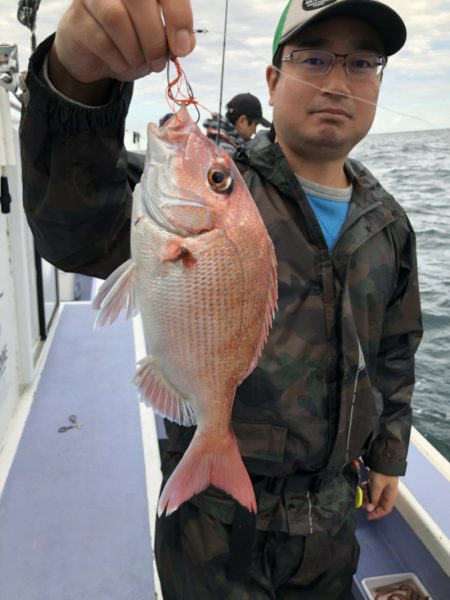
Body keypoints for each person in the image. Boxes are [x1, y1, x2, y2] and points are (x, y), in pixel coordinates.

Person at [19, 0, 423, 598]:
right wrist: (79, 81)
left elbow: (395, 352)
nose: (337, 81)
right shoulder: (229, 189)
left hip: (332, 520)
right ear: (273, 79)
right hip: (212, 525)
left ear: (378, 82)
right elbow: (76, 227)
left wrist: (389, 455)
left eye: (361, 62)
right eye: (313, 57)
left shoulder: (388, 223)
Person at [203, 93, 271, 154]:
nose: (254, 131)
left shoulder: (225, 139)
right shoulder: (225, 150)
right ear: (242, 121)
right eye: (255, 125)